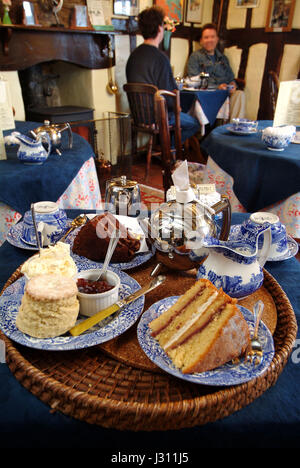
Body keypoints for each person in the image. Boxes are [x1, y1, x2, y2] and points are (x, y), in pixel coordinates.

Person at [125, 6, 200, 143]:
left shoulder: (133, 56)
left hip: (138, 116)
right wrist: (178, 106)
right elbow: (170, 99)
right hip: (157, 117)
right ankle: (170, 151)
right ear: (160, 29)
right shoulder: (160, 58)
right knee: (194, 123)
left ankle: (163, 146)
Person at [187, 23, 245, 119]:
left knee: (240, 94)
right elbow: (194, 80)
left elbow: (231, 78)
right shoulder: (195, 57)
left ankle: (234, 129)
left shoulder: (223, 58)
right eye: (206, 37)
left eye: (212, 37)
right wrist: (217, 87)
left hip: (225, 95)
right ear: (201, 41)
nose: (210, 40)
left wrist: (233, 84)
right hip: (208, 95)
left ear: (217, 39)